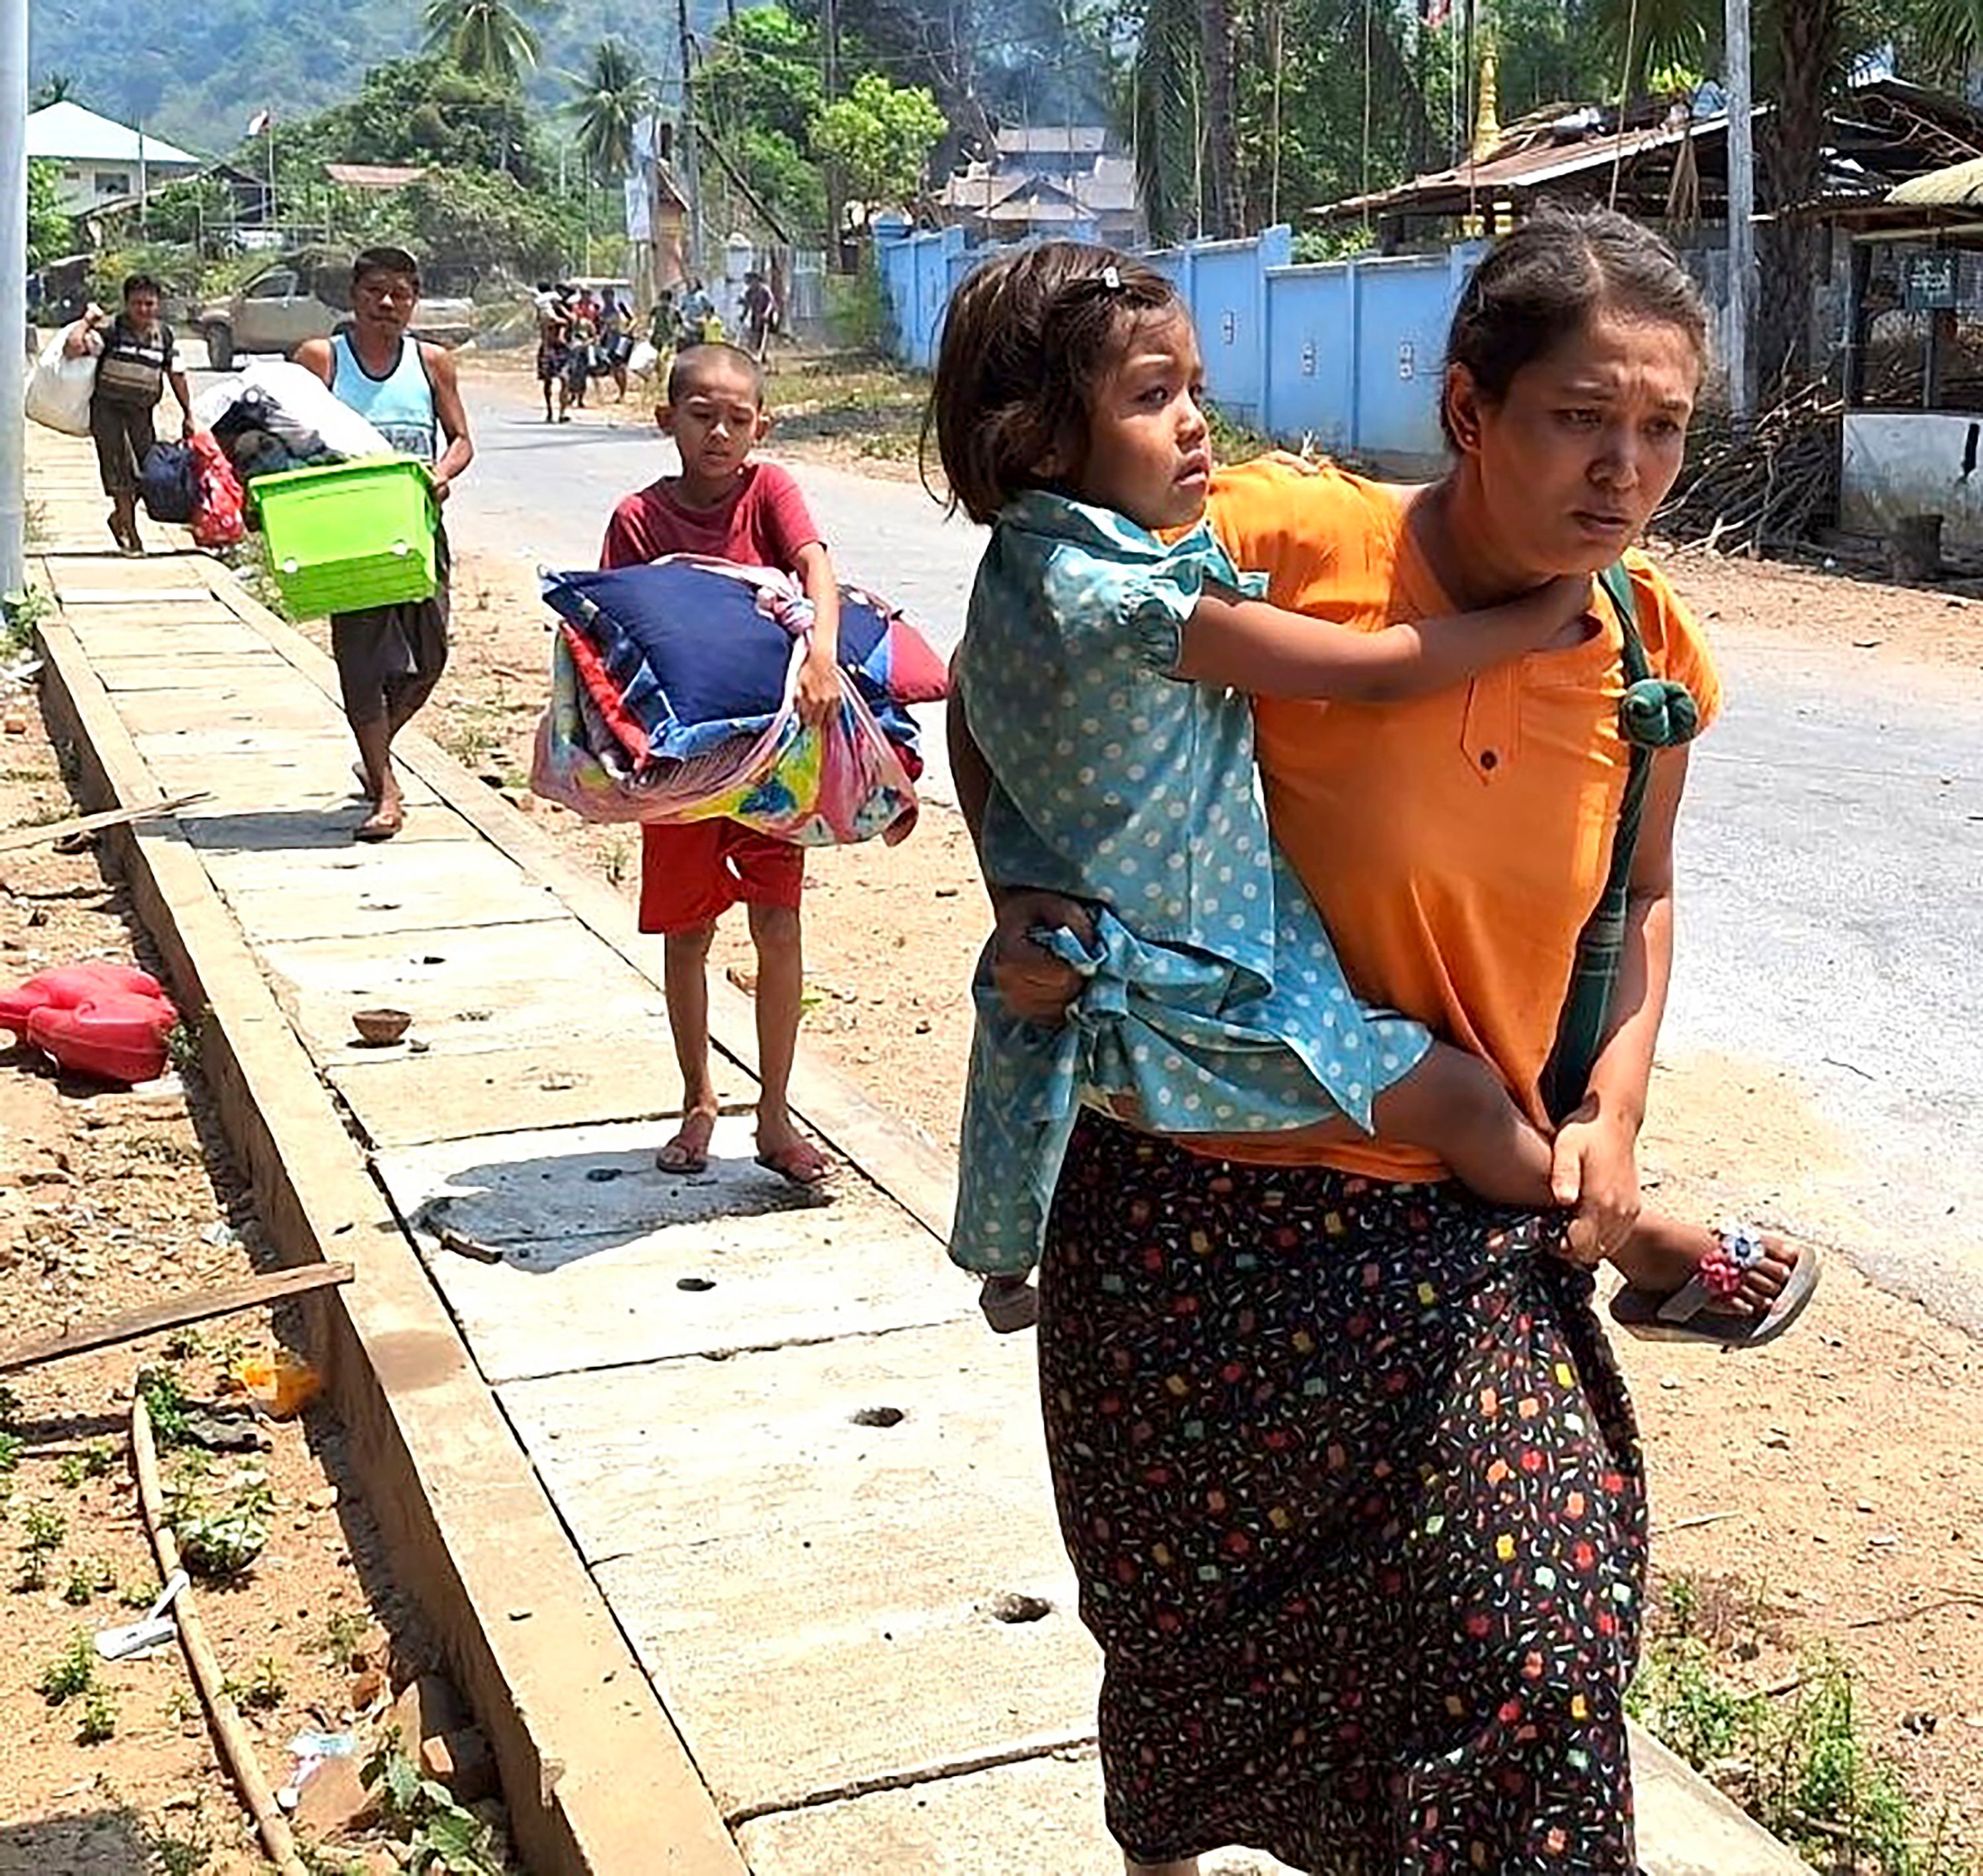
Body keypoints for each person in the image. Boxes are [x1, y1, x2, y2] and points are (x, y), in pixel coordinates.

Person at [954, 208, 1811, 1872]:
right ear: (1469, 411)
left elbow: (1638, 899)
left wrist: (1614, 1115)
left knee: (1534, 1647)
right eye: (1580, 417)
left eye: (1661, 428)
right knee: (1191, 1661)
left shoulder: (1646, 650)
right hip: (1187, 1225)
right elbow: (1009, 688)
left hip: (1447, 1230)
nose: (1623, 471)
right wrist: (1027, 898)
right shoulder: (1273, 538)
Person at [932, 243, 1608, 1327]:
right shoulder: (1128, 601)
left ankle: (1016, 1265)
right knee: (1462, 1100)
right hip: (1202, 976)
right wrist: (1538, 616)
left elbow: (965, 704)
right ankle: (1632, 1238)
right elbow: (1375, 673)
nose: (1196, 419)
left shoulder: (1021, 566)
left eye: (1194, 387)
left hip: (1105, 966)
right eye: (1154, 397)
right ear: (1044, 439)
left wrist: (1009, 885)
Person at [598, 342, 843, 1188]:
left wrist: (822, 655)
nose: (720, 433)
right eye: (702, 416)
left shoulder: (768, 492)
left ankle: (776, 1115)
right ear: (667, 420)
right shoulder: (638, 517)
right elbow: (613, 629)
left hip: (772, 755)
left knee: (778, 925)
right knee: (689, 931)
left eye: (738, 420)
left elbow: (815, 565)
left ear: (761, 427)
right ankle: (698, 1099)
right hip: (682, 767)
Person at [295, 246, 474, 843]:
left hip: (417, 527)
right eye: (375, 291)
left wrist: (443, 474)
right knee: (361, 664)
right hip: (349, 532)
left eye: (400, 293)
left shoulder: (432, 363)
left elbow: (460, 441)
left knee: (431, 656)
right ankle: (386, 787)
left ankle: (377, 749)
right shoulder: (324, 359)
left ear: (415, 300)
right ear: (355, 295)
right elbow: (286, 435)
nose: (387, 304)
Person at [67, 274, 194, 555]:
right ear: (126, 304)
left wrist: (188, 414)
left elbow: (177, 374)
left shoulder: (165, 336)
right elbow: (74, 347)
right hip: (109, 411)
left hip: (142, 412)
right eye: (137, 304)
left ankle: (119, 519)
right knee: (120, 472)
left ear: (158, 304)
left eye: (149, 304)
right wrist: (88, 320)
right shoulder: (112, 330)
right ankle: (132, 536)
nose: (144, 310)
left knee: (150, 473)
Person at [535, 286, 575, 423]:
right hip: (549, 349)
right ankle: (550, 411)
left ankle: (562, 412)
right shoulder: (546, 313)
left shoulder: (565, 311)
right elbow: (552, 324)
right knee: (548, 381)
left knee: (565, 380)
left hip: (560, 350)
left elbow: (572, 320)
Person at [740, 270, 776, 364]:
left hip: (766, 316)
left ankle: (762, 355)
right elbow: (747, 305)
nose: (750, 283)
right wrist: (743, 315)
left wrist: (766, 313)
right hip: (755, 316)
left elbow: (771, 303)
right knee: (754, 335)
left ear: (756, 280)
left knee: (763, 336)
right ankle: (756, 355)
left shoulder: (765, 290)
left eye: (751, 280)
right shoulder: (749, 292)